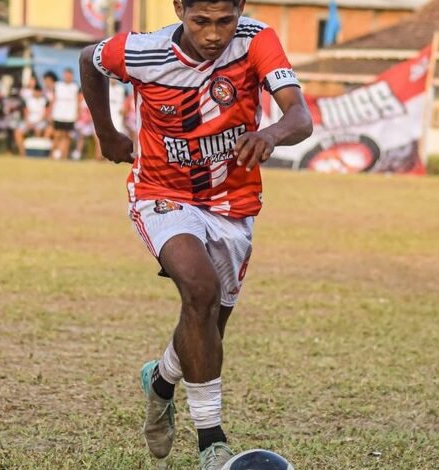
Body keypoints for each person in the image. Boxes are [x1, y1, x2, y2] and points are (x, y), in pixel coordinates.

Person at [79, 1, 312, 468]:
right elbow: (90, 59)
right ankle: (212, 444)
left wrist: (270, 134)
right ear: (179, 9)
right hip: (161, 193)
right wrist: (106, 133)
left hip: (232, 202)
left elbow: (300, 117)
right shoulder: (143, 52)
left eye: (225, 21)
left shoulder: (256, 40)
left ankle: (160, 381)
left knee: (207, 327)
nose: (213, 35)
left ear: (240, 9)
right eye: (201, 21)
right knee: (200, 291)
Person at [50, 68, 79, 159]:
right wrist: (51, 112)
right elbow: (53, 99)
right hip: (58, 113)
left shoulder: (75, 87)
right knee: (57, 134)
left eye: (69, 75)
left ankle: (64, 155)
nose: (67, 77)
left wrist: (77, 113)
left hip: (70, 115)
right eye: (66, 75)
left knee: (67, 135)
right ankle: (53, 154)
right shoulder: (57, 85)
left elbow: (78, 101)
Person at [14, 85, 49, 156]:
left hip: (40, 122)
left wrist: (36, 123)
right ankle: (23, 153)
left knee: (38, 131)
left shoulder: (44, 101)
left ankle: (37, 154)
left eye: (38, 91)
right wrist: (28, 122)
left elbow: (45, 115)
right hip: (29, 122)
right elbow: (26, 113)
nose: (37, 93)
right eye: (36, 91)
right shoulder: (28, 100)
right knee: (17, 133)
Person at [72, 90, 101, 160]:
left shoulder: (88, 100)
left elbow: (92, 111)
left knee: (96, 139)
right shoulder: (80, 102)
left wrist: (89, 119)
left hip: (91, 122)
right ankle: (78, 153)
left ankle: (98, 156)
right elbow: (79, 112)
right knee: (81, 138)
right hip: (84, 122)